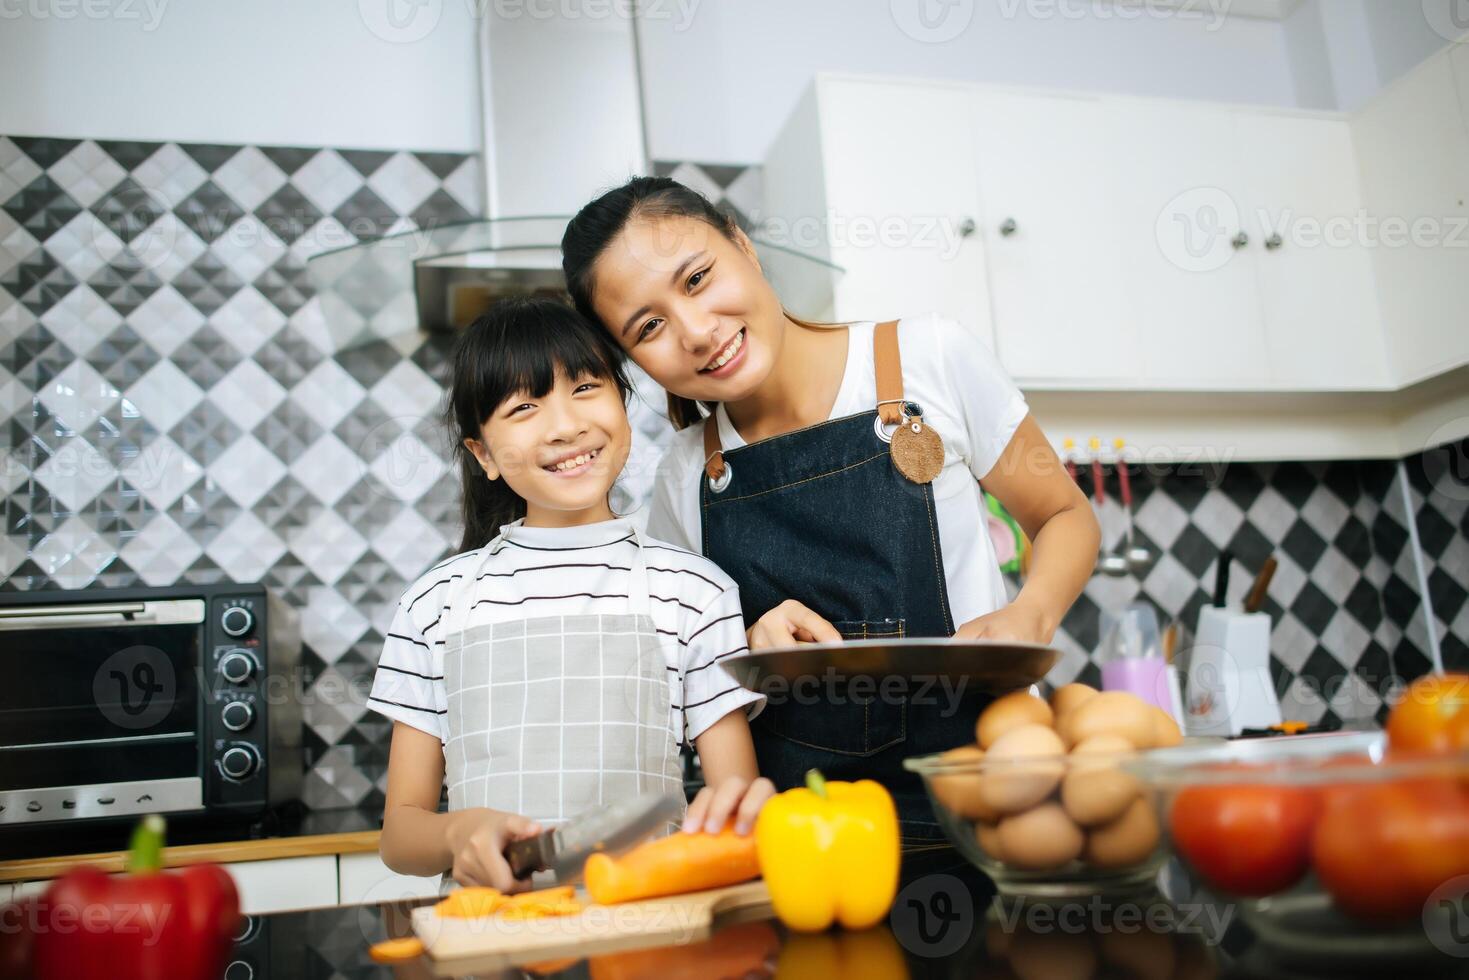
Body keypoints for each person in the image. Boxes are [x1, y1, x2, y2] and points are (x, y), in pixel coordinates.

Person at [561, 177, 1100, 882]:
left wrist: (1030, 610)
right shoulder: (685, 477)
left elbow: (1063, 515)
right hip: (811, 847)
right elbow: (692, 678)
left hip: (997, 805)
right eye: (649, 327)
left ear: (741, 244)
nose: (695, 331)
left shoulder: (928, 357)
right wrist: (747, 645)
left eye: (697, 278)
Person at [370, 297, 771, 892]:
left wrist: (743, 815)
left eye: (585, 388)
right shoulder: (435, 602)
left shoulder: (695, 592)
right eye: (525, 406)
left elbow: (735, 804)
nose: (565, 425)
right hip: (494, 939)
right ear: (483, 454)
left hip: (646, 930)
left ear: (624, 403)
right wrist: (459, 835)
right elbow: (400, 837)